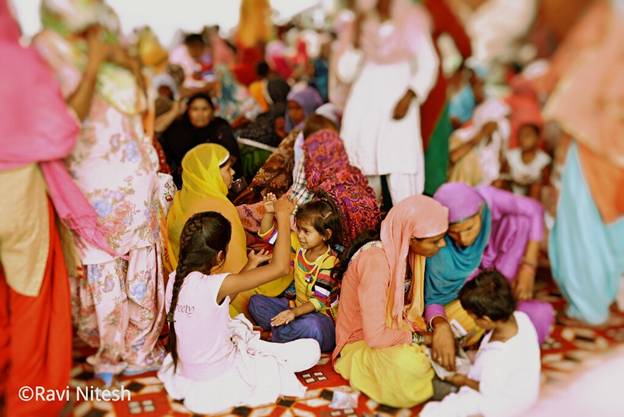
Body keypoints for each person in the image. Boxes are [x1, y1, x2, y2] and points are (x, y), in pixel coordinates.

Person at [34, 0, 166, 384]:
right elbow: (66, 117)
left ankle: (140, 348)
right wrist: (93, 62)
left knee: (140, 261)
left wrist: (120, 60)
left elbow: (142, 103)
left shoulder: (107, 31)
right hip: (89, 183)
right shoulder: (49, 48)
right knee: (103, 267)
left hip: (134, 177)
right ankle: (112, 352)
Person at [158, 203, 320, 414]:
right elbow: (280, 267)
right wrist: (282, 216)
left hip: (189, 376)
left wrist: (249, 266)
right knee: (311, 350)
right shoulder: (216, 285)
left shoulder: (175, 279)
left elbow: (216, 304)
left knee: (240, 332)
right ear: (219, 257)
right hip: (220, 381)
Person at [543, 0, 624, 325]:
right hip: (610, 135)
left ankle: (588, 305)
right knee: (611, 221)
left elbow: (572, 63)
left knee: (583, 221)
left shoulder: (609, 15)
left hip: (596, 132)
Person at [333, 195, 449, 408]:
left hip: (396, 328)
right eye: (435, 241)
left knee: (444, 340)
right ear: (411, 238)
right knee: (407, 364)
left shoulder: (407, 253)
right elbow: (375, 338)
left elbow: (409, 312)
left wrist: (427, 335)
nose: (442, 245)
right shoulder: (375, 262)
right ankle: (432, 381)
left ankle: (434, 376)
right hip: (360, 343)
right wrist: (420, 339)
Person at [425, 182, 554, 374]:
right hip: (466, 311)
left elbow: (533, 209)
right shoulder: (441, 252)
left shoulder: (487, 200)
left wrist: (528, 267)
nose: (464, 239)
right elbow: (433, 300)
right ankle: (478, 354)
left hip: (492, 305)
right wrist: (440, 326)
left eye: (469, 228)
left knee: (540, 315)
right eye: (454, 232)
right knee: (443, 341)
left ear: (481, 212)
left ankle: (484, 355)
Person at [337, 0, 438, 205]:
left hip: (398, 103)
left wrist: (411, 95)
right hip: (364, 106)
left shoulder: (411, 19)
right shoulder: (361, 21)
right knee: (363, 166)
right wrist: (356, 39)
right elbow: (344, 73)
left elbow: (429, 63)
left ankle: (409, 228)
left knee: (401, 167)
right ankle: (367, 224)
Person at [420, 270, 541, 417]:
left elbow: (487, 389)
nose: (471, 320)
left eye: (472, 317)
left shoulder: (498, 355)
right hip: (521, 389)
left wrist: (461, 380)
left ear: (486, 320)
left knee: (438, 411)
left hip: (503, 402)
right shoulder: (520, 318)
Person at [249, 194, 342, 352]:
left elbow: (318, 302)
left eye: (306, 232)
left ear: (326, 235)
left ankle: (276, 336)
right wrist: (270, 212)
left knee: (312, 327)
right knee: (256, 303)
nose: (300, 235)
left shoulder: (330, 262)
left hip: (320, 319)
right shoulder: (298, 244)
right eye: (298, 229)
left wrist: (293, 313)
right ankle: (287, 335)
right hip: (296, 310)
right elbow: (267, 235)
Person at [421, 0, 473, 195]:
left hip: (392, 88)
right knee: (434, 150)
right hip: (432, 87)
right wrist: (459, 70)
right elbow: (464, 45)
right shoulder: (433, 4)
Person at [159, 92, 241, 187]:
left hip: (221, 184)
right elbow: (155, 130)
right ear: (188, 111)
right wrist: (175, 111)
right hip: (186, 185)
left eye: (204, 109)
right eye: (195, 109)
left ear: (212, 111)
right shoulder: (177, 131)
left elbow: (233, 158)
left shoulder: (220, 127)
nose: (200, 114)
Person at [448, 98, 510, 187]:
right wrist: (480, 136)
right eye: (501, 119)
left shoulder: (496, 145)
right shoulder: (461, 136)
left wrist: (501, 148)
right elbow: (453, 158)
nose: (504, 124)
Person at [503, 123, 551, 199]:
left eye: (527, 136)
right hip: (513, 193)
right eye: (520, 136)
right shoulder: (511, 156)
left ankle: (531, 210)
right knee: (498, 183)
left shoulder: (544, 160)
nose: (522, 139)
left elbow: (547, 184)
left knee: (536, 188)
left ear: (537, 138)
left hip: (532, 196)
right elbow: (504, 177)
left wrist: (529, 185)